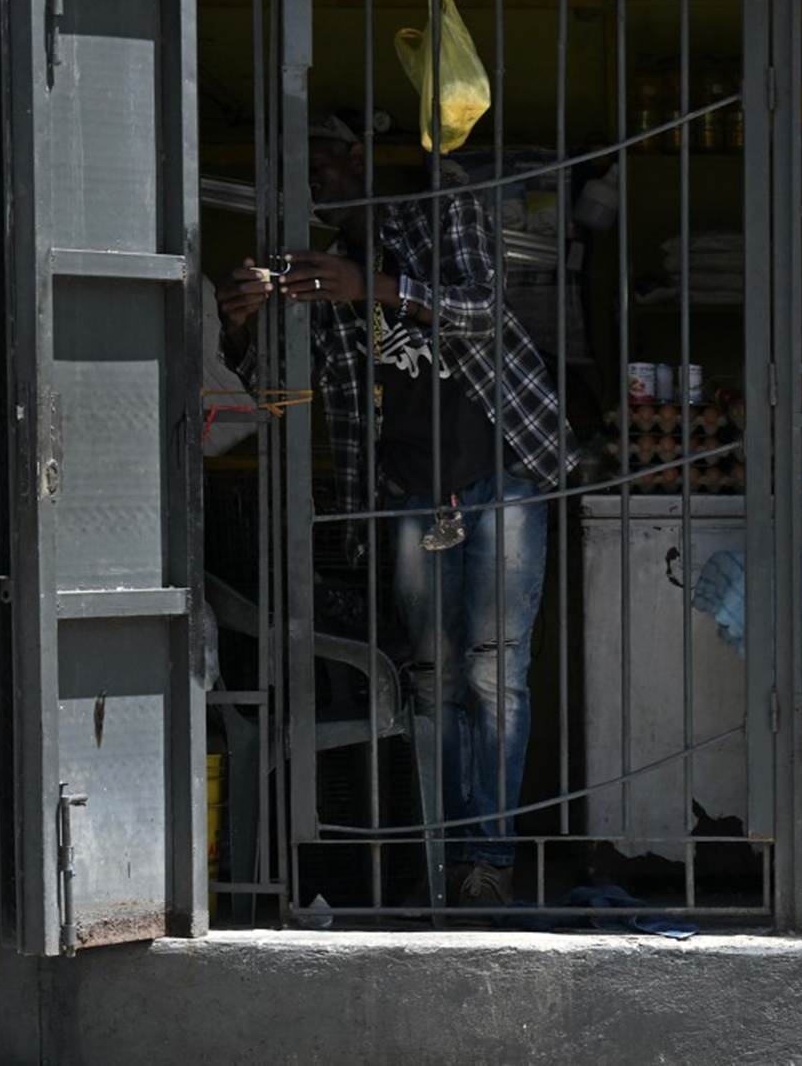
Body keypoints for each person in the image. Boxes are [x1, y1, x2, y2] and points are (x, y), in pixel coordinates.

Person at [216, 114, 573, 909]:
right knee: (434, 680)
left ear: (358, 158)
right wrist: (238, 324)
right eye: (300, 173)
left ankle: (491, 860)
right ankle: (443, 860)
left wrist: (374, 288)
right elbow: (279, 395)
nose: (317, 184)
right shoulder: (315, 274)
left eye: (323, 164)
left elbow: (481, 310)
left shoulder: (443, 211)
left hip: (503, 475)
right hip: (408, 499)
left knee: (497, 676)